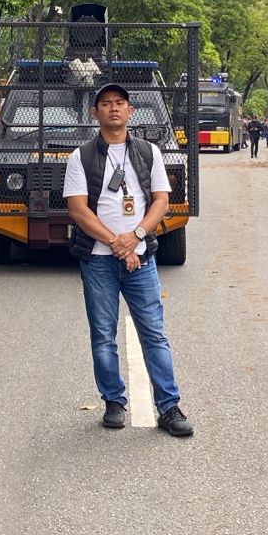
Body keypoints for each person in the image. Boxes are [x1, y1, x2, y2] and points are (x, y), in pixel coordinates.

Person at [63, 82, 193, 437]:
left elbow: (161, 202)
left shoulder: (149, 152)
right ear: (95, 113)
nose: (114, 109)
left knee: (154, 334)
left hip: (141, 258)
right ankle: (114, 401)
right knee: (103, 335)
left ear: (130, 111)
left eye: (120, 103)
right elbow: (78, 209)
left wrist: (134, 238)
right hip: (98, 261)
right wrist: (116, 243)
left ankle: (169, 406)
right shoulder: (81, 156)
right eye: (106, 104)